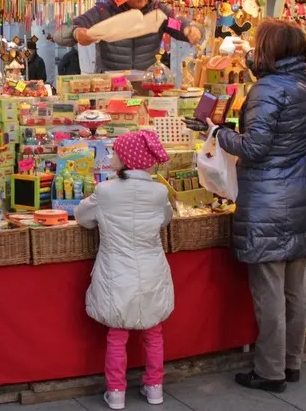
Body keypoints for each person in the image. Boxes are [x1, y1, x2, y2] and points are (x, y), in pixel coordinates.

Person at [211, 19, 306, 393]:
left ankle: (270, 371)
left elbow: (255, 148)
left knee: (270, 290)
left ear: (271, 48)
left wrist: (218, 133)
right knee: (295, 289)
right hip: (301, 193)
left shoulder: (267, 89)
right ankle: (291, 363)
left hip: (267, 201)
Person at [75, 130, 174, 410]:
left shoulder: (105, 192)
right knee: (153, 332)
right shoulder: (159, 192)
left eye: (116, 152)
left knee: (116, 334)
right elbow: (165, 219)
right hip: (152, 269)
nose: (112, 157)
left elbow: (82, 218)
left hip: (116, 271)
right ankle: (155, 388)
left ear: (128, 159)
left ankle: (116, 392)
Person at [54, 0, 204, 72]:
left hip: (146, 86)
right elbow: (60, 33)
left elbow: (176, 24)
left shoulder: (157, 11)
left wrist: (189, 29)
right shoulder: (103, 11)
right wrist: (76, 33)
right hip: (112, 88)